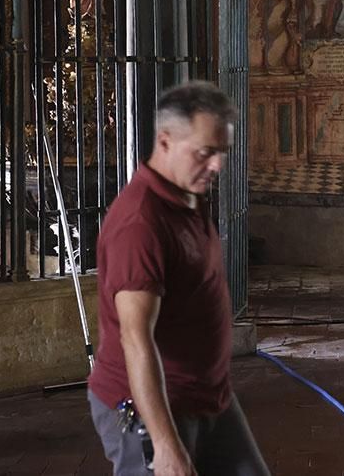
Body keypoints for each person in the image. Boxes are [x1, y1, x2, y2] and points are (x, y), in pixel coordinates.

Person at [87, 80, 270, 476]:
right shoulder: (140, 223)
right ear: (166, 141)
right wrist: (166, 445)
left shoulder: (187, 193)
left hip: (207, 397)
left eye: (222, 152)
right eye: (206, 153)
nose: (218, 165)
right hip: (148, 407)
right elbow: (135, 337)